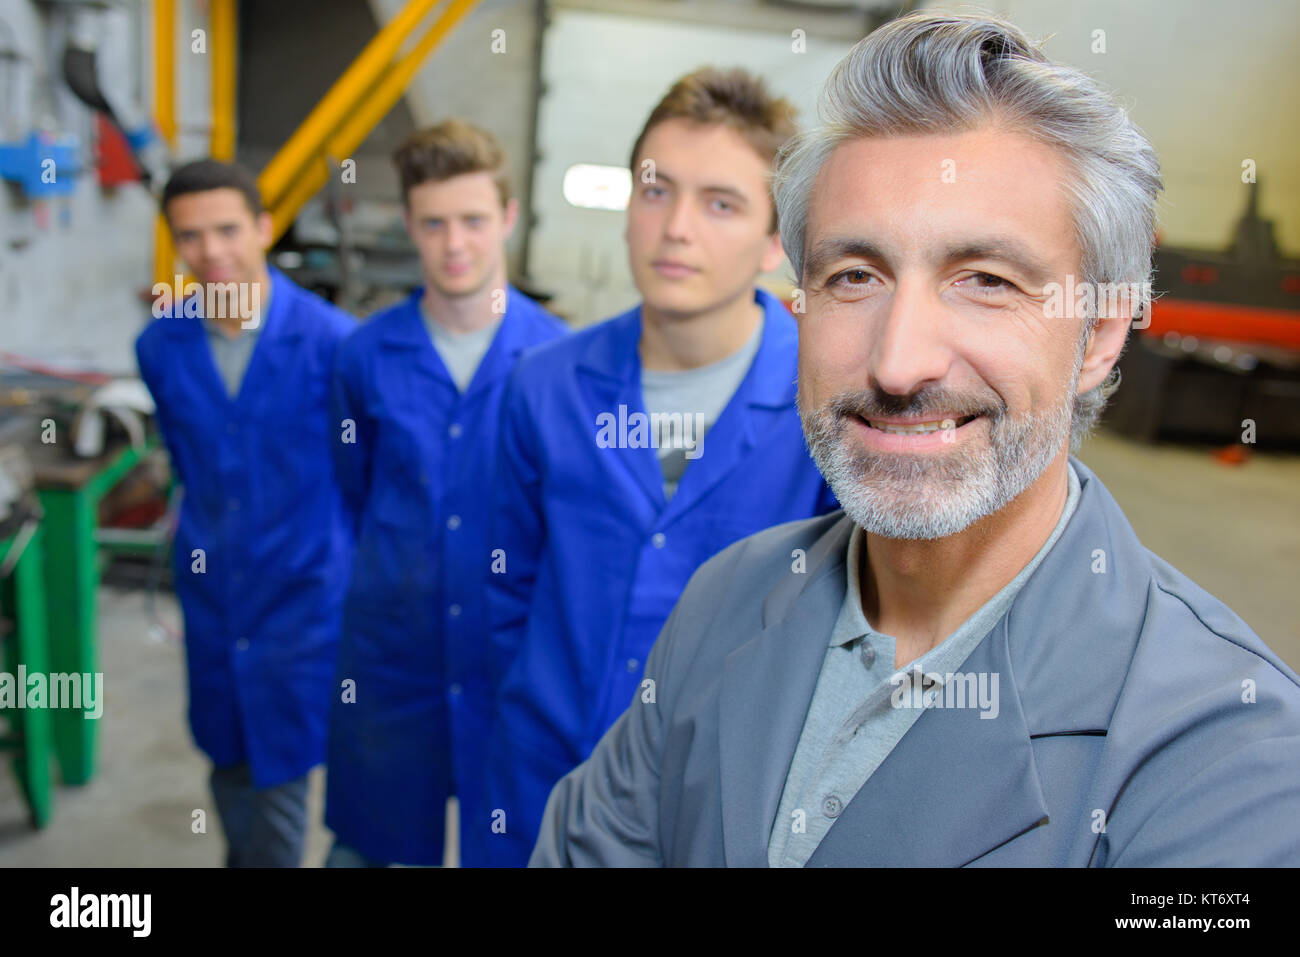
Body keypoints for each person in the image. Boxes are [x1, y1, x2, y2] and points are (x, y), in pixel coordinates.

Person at [529, 12, 1300, 867]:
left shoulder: (1234, 758)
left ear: (1103, 334)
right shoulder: (725, 600)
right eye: (854, 276)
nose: (897, 364)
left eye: (985, 280)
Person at [480, 67, 839, 866]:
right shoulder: (543, 386)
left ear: (776, 240)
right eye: (654, 190)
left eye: (720, 203)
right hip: (539, 776)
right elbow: (503, 589)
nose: (676, 227)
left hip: (724, 806)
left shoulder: (829, 405)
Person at [324, 120, 566, 867]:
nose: (454, 244)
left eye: (472, 220)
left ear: (508, 217)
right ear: (408, 226)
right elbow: (353, 488)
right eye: (433, 223)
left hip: (511, 653)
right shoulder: (363, 355)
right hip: (393, 653)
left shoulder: (559, 359)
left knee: (516, 842)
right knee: (371, 845)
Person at [135, 159, 356, 867]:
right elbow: (187, 459)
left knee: (282, 770)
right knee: (226, 752)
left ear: (264, 227)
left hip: (301, 594)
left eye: (229, 229)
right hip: (212, 591)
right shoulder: (160, 347)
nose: (213, 253)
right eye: (191, 236)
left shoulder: (334, 344)